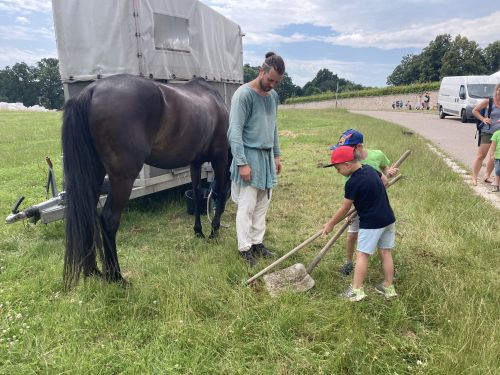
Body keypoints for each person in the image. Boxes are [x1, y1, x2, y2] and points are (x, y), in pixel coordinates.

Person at [227, 52, 285, 266]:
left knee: (263, 204)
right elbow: (234, 132)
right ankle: (244, 248)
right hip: (249, 157)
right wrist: (242, 163)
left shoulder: (273, 97)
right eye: (270, 80)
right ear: (261, 71)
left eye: (277, 82)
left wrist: (277, 155)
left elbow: (273, 127)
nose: (272, 85)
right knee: (247, 206)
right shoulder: (243, 95)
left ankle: (257, 242)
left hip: (267, 157)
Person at [322, 146, 397, 302]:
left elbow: (344, 208)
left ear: (348, 164)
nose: (337, 172)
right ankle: (388, 287)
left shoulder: (352, 183)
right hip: (388, 218)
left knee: (362, 255)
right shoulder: (370, 169)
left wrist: (330, 224)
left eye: (338, 168)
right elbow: (384, 181)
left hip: (371, 223)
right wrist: (366, 200)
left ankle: (357, 291)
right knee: (386, 252)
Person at [329, 129, 398, 276]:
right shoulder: (348, 164)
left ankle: (386, 268)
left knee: (378, 242)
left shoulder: (376, 155)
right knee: (353, 233)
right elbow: (348, 198)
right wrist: (352, 210)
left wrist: (388, 172)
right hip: (354, 202)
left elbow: (384, 175)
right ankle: (349, 263)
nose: (344, 151)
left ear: (358, 147)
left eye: (347, 149)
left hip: (372, 204)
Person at [471, 83, 500, 186]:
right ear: (496, 90)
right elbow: (475, 111)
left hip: (498, 135)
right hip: (487, 132)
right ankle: (474, 177)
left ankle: (486, 176)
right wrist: (483, 119)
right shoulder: (489, 101)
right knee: (481, 155)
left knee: (494, 156)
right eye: (499, 90)